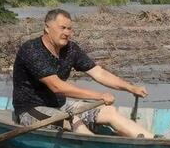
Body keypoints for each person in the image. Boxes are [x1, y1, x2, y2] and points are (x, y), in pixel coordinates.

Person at [11, 8, 153, 138]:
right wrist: (99, 95)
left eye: (69, 29)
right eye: (62, 28)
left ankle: (153, 141)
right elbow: (58, 87)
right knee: (72, 120)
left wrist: (130, 87)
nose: (67, 33)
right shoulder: (32, 50)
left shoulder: (70, 49)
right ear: (47, 27)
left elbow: (99, 73)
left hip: (60, 105)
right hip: (31, 109)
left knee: (109, 112)